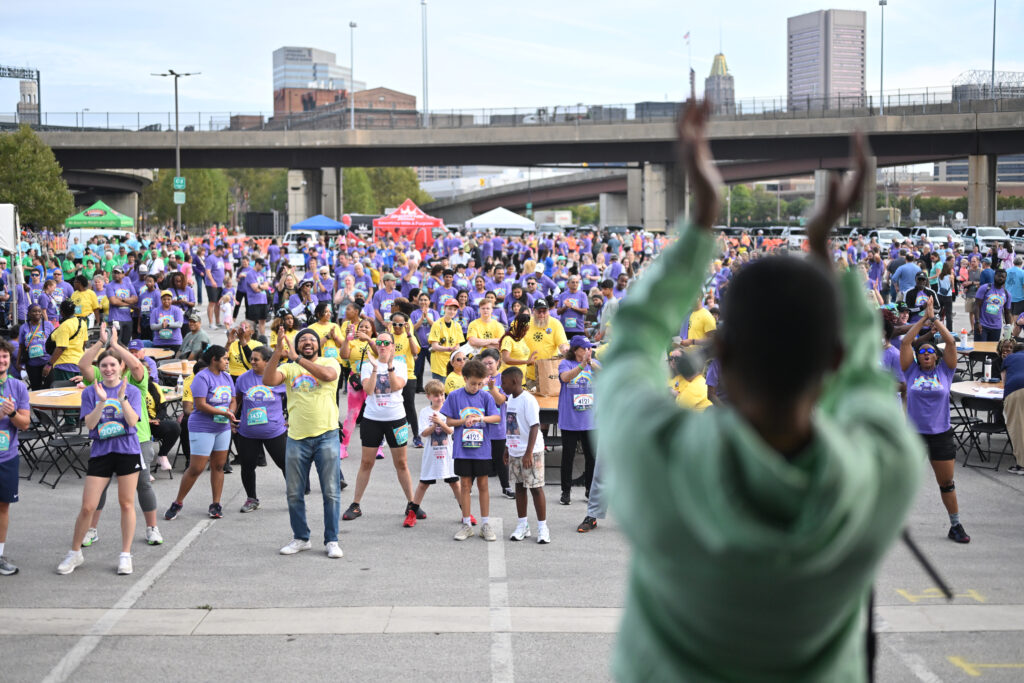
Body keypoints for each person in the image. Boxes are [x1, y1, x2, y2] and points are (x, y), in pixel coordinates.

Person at [597, 103, 921, 681]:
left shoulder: (656, 456)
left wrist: (703, 222)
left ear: (720, 355)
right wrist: (822, 247)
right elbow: (871, 382)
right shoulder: (883, 470)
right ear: (836, 357)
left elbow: (632, 339)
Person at [57, 350, 143, 576]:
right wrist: (101, 402)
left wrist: (122, 399)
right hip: (101, 452)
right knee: (88, 506)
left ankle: (125, 555)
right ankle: (75, 552)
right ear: (99, 368)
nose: (108, 369)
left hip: (127, 450)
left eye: (113, 365)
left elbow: (133, 421)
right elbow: (92, 425)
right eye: (104, 365)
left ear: (121, 366)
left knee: (126, 503)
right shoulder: (90, 392)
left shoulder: (132, 390)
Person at [263, 328, 344, 559]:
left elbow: (328, 376)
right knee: (293, 493)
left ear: (318, 344)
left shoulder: (330, 361)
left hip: (326, 435)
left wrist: (296, 357)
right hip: (297, 438)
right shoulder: (288, 368)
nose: (307, 342)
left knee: (331, 492)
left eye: (311, 340)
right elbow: (268, 380)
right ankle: (301, 538)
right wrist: (278, 353)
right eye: (302, 340)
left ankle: (332, 540)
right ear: (296, 345)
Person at [901, 298, 970, 543]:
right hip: (913, 435)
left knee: (947, 482)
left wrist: (936, 320)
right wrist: (923, 319)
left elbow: (951, 342)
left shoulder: (945, 372)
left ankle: (955, 525)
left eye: (931, 351)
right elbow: (907, 342)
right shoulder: (911, 371)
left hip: (940, 433)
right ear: (918, 358)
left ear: (937, 357)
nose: (926, 353)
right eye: (923, 352)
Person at [343, 330, 417, 523]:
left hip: (396, 419)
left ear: (392, 346)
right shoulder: (367, 366)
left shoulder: (400, 365)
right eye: (379, 342)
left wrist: (389, 366)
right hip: (372, 420)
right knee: (366, 463)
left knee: (401, 463)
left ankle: (412, 503)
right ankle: (356, 504)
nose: (382, 345)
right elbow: (368, 390)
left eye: (386, 343)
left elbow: (396, 386)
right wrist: (376, 368)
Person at [164, 346, 237, 521]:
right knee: (196, 468)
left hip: (222, 428)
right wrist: (223, 413)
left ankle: (216, 504)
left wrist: (231, 413)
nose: (228, 362)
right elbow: (200, 405)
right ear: (214, 359)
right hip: (202, 427)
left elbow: (233, 400)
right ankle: (178, 502)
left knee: (218, 466)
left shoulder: (227, 377)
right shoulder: (202, 378)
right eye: (225, 359)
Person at [442, 359, 500, 542]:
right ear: (464, 378)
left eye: (480, 384)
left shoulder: (486, 396)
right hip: (462, 449)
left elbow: (497, 417)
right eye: (473, 383)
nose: (476, 387)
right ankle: (466, 524)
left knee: (483, 485)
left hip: (482, 449)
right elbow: (449, 421)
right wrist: (463, 422)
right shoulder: (454, 396)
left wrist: (481, 419)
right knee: (465, 485)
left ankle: (485, 524)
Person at [407, 380, 469, 527]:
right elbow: (424, 433)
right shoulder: (424, 412)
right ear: (428, 396)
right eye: (436, 396)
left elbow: (451, 431)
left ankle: (466, 513)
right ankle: (412, 513)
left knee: (455, 483)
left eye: (442, 394)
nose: (440, 398)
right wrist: (434, 424)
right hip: (431, 455)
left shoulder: (450, 410)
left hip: (449, 455)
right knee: (423, 484)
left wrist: (441, 423)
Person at [233, 345, 287, 512]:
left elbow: (293, 399)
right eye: (251, 359)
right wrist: (231, 419)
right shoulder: (243, 378)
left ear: (268, 361)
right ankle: (251, 499)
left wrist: (291, 418)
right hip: (248, 433)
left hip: (274, 431)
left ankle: (295, 497)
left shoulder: (279, 378)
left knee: (286, 465)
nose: (252, 362)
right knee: (247, 466)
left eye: (256, 359)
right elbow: (238, 400)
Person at [501, 366, 549, 544]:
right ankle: (523, 525)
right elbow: (511, 426)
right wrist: (507, 448)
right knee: (520, 487)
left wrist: (528, 452)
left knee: (536, 488)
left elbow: (534, 426)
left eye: (503, 383)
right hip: (515, 450)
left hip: (531, 451)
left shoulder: (528, 400)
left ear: (514, 381)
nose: (502, 386)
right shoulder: (510, 400)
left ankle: (543, 528)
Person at [0, 339, 32, 576]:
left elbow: (24, 424)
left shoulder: (18, 387)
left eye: (4, 357)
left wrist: (11, 413)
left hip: (7, 458)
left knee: (3, 508)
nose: (1, 361)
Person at [557, 335, 599, 506]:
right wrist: (582, 365)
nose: (588, 351)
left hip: (590, 420)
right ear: (575, 350)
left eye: (590, 348)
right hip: (570, 419)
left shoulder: (594, 364)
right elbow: (565, 378)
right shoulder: (566, 363)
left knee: (592, 457)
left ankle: (590, 490)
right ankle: (565, 492)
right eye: (584, 348)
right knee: (568, 457)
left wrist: (590, 363)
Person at [478, 348, 513, 499]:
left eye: (490, 363)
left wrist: (492, 389)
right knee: (478, 457)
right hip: (479, 426)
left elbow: (501, 400)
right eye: (484, 363)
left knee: (500, 459)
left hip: (498, 427)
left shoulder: (503, 379)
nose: (487, 367)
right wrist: (481, 384)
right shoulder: (478, 379)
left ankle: (506, 487)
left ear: (498, 362)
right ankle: (470, 487)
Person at [388, 311, 423, 448]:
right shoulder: (388, 336)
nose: (397, 327)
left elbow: (415, 351)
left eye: (400, 324)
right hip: (391, 375)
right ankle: (388, 437)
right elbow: (382, 350)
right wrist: (388, 332)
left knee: (409, 406)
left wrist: (409, 334)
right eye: (395, 324)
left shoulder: (410, 336)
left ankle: (416, 436)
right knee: (391, 406)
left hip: (408, 376)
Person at [523, 299, 569, 382]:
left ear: (549, 311)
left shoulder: (555, 324)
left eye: (544, 312)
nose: (541, 315)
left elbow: (562, 343)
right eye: (539, 311)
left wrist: (565, 350)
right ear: (533, 311)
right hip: (529, 374)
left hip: (549, 374)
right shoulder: (525, 324)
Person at [46, 300, 88, 382]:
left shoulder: (64, 326)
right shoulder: (82, 323)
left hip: (64, 365)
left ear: (61, 312)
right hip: (78, 364)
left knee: (64, 392)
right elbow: (84, 343)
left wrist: (49, 364)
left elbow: (61, 348)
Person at [18, 304, 55, 390]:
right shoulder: (24, 327)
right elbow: (21, 346)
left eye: (39, 311)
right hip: (32, 364)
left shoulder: (48, 325)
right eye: (34, 311)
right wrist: (18, 362)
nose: (37, 313)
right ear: (29, 313)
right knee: (36, 388)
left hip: (46, 362)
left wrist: (52, 362)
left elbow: (55, 343)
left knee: (49, 387)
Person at [428, 298, 465, 381]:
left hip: (452, 364)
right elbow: (434, 346)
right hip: (439, 363)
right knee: (440, 390)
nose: (452, 312)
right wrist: (449, 349)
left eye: (455, 310)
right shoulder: (437, 324)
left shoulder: (457, 325)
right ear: (444, 309)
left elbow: (458, 345)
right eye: (450, 309)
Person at [973, 268, 1012, 342]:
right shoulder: (985, 288)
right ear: (994, 276)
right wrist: (977, 322)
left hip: (996, 328)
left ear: (1005, 278)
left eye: (1003, 277)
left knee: (993, 352)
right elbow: (976, 305)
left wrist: (1009, 329)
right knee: (980, 351)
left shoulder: (1007, 294)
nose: (1000, 278)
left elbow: (1007, 312)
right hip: (982, 325)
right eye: (999, 276)